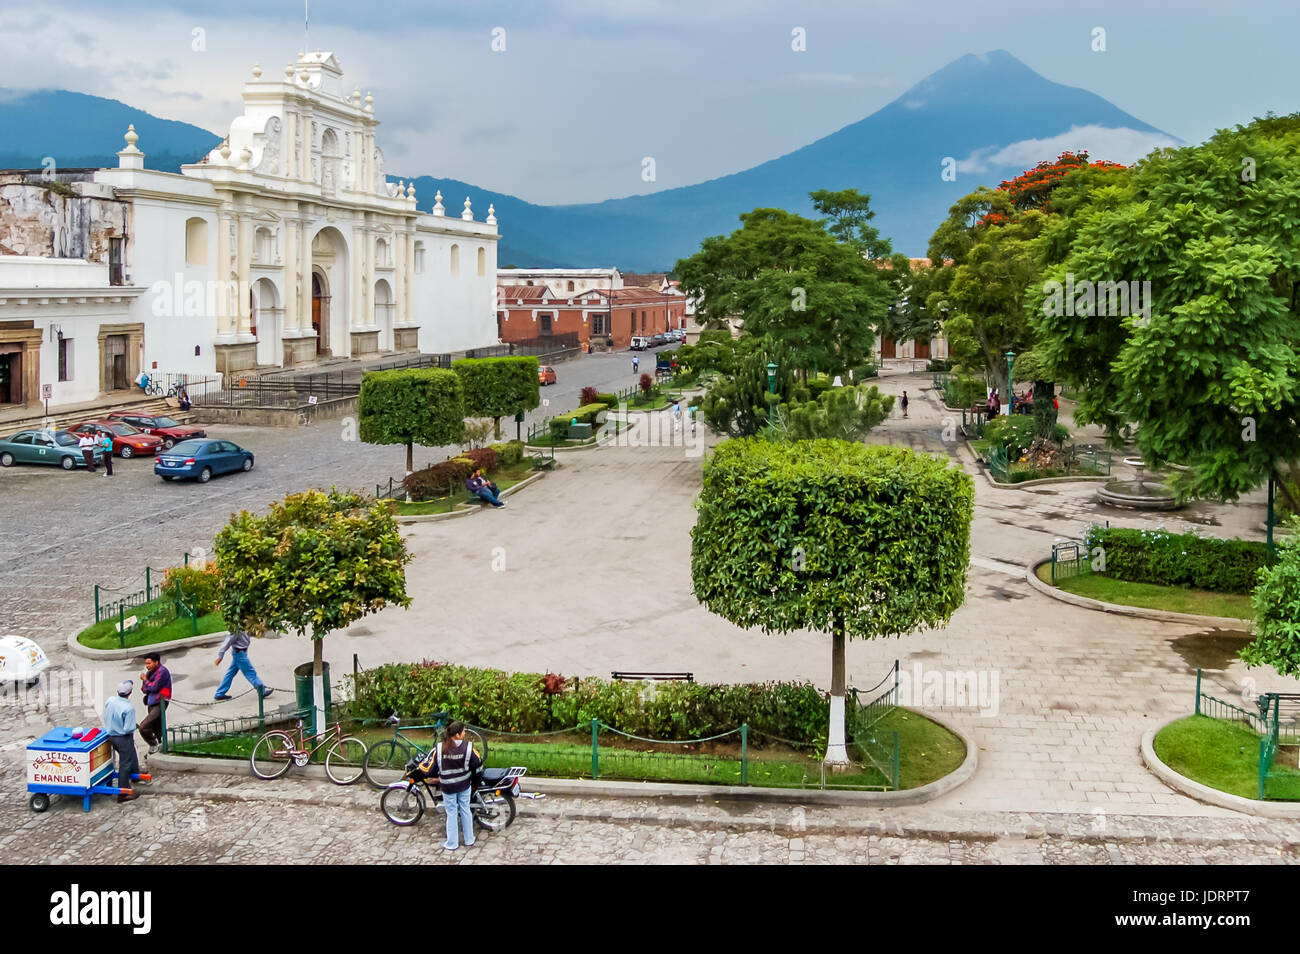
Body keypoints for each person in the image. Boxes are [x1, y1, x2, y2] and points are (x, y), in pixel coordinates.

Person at [433, 721, 482, 851]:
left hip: (448, 787)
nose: (465, 733)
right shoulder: (469, 748)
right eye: (464, 731)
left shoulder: (439, 748)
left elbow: (430, 767)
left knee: (452, 813)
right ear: (458, 734)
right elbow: (477, 762)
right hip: (464, 785)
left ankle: (452, 843)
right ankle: (469, 839)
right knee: (465, 810)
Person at [103, 680, 140, 802]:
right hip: (122, 737)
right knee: (125, 763)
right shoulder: (128, 708)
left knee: (131, 754)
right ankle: (123, 793)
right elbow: (128, 728)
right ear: (130, 692)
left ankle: (135, 772)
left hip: (110, 734)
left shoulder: (110, 700)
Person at [213, 630, 272, 701]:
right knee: (251, 673)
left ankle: (219, 694)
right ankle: (262, 691)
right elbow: (227, 642)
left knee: (230, 673)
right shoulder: (235, 628)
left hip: (240, 653)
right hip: (239, 654)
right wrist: (220, 656)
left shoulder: (245, 624)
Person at [138, 652, 171, 754]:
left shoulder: (162, 672)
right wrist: (146, 683)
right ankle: (160, 744)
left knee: (144, 726)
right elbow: (144, 689)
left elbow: (154, 687)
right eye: (146, 664)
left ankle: (153, 744)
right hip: (151, 702)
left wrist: (145, 681)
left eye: (149, 663)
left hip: (159, 702)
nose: (147, 666)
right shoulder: (149, 673)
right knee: (156, 726)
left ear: (156, 662)